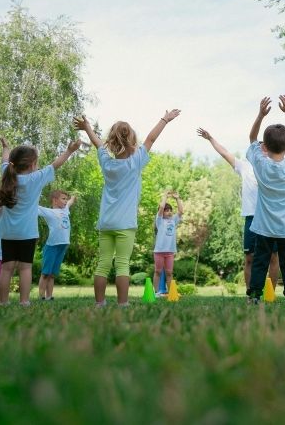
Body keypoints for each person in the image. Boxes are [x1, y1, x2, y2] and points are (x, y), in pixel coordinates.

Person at [196, 123, 285, 290]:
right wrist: (211, 138)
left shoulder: (274, 166)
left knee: (274, 258)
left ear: (267, 148)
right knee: (250, 258)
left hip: (270, 218)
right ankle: (252, 292)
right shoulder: (245, 165)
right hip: (252, 217)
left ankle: (270, 292)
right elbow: (225, 153)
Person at [74, 110, 180, 307]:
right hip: (125, 224)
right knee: (122, 263)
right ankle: (123, 303)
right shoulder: (135, 162)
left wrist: (87, 127)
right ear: (132, 140)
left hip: (106, 222)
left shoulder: (107, 163)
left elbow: (98, 144)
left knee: (103, 263)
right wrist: (165, 119)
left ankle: (99, 303)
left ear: (112, 142)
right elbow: (151, 139)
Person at [0, 137, 81, 306]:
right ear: (32, 164)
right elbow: (55, 165)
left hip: (7, 232)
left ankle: (3, 302)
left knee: (6, 268)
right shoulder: (35, 178)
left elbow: (5, 160)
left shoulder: (7, 175)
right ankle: (24, 301)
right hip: (27, 233)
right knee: (25, 268)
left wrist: (5, 147)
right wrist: (70, 151)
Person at [245, 96, 285, 303]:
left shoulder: (261, 164)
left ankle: (254, 296)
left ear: (265, 147)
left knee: (260, 262)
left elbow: (252, 138)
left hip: (264, 227)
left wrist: (261, 115)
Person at [38, 190, 76, 301]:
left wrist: (73, 198)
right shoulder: (49, 212)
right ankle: (41, 297)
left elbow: (70, 202)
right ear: (55, 200)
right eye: (63, 199)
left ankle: (49, 297)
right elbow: (34, 207)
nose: (65, 201)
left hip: (62, 246)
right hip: (52, 246)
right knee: (46, 273)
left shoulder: (65, 210)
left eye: (66, 199)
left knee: (52, 274)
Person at [153, 190, 183, 295]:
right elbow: (161, 207)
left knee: (169, 273)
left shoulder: (173, 220)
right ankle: (156, 292)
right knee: (158, 271)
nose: (169, 212)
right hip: (159, 251)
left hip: (170, 252)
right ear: (162, 212)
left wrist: (177, 198)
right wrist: (165, 196)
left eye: (170, 210)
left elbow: (181, 211)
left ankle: (171, 293)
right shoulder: (159, 221)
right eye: (167, 210)